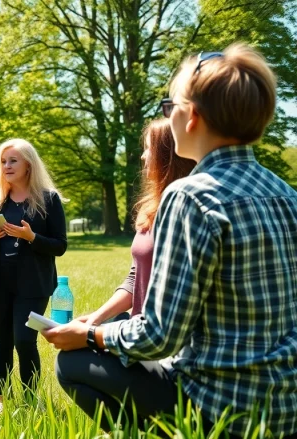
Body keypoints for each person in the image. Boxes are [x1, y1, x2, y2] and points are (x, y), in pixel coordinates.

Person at [43, 44, 297, 438]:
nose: (168, 115)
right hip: (283, 409)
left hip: (218, 410)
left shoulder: (190, 196)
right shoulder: (287, 195)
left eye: (169, 106)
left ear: (191, 116)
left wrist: (90, 334)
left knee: (71, 364)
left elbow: (159, 337)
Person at [0, 138, 67, 415]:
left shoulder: (48, 200)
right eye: (3, 162)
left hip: (33, 283)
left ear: (29, 165)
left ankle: (31, 399)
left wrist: (31, 236)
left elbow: (60, 246)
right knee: (1, 343)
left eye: (13, 160)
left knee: (25, 341)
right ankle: (1, 401)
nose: (7, 166)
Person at [74, 119, 195, 326]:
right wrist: (96, 318)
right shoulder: (149, 210)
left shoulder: (187, 210)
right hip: (138, 328)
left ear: (168, 155)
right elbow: (135, 278)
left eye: (149, 148)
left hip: (161, 333)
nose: (142, 156)